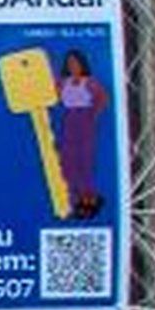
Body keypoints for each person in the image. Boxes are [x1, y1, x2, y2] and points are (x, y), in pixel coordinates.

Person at [53, 47, 109, 220]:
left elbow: (103, 99)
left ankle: (89, 199)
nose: (73, 66)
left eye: (76, 63)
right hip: (68, 121)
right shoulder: (63, 83)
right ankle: (74, 201)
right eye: (70, 63)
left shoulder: (90, 83)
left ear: (82, 64)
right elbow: (51, 94)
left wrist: (92, 114)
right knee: (66, 161)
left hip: (85, 121)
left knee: (84, 161)